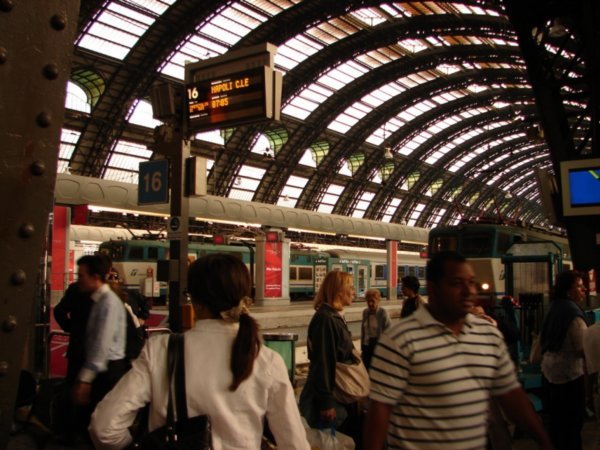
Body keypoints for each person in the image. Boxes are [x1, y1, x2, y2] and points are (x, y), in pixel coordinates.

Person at [90, 253, 309, 450]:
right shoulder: (268, 360)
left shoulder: (161, 350)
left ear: (195, 300)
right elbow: (294, 443)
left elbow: (103, 428)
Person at [363, 251, 553, 450]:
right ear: (434, 290)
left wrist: (545, 441)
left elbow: (511, 395)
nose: (469, 291)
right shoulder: (398, 341)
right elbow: (380, 413)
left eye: (471, 282)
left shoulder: (488, 334)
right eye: (456, 283)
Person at [299, 270, 363, 447]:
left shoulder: (333, 317)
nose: (353, 292)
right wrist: (326, 403)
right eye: (350, 287)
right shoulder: (326, 320)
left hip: (339, 394)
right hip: (331, 400)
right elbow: (324, 362)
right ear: (338, 291)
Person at [72, 255, 129, 429]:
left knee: (99, 423)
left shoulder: (107, 303)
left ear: (95, 277)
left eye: (81, 276)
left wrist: (86, 379)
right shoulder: (102, 301)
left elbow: (101, 344)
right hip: (107, 368)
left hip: (108, 371)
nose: (78, 280)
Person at [539, 270, 589, 450]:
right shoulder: (573, 314)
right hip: (569, 377)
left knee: (555, 424)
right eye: (578, 286)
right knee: (571, 426)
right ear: (568, 291)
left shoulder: (555, 306)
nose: (583, 289)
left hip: (549, 374)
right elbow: (584, 348)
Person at [361, 288, 391, 369]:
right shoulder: (365, 312)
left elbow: (389, 332)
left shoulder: (383, 313)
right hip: (367, 345)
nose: (370, 304)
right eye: (368, 301)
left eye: (373, 301)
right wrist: (362, 346)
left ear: (378, 301)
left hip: (378, 346)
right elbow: (363, 330)